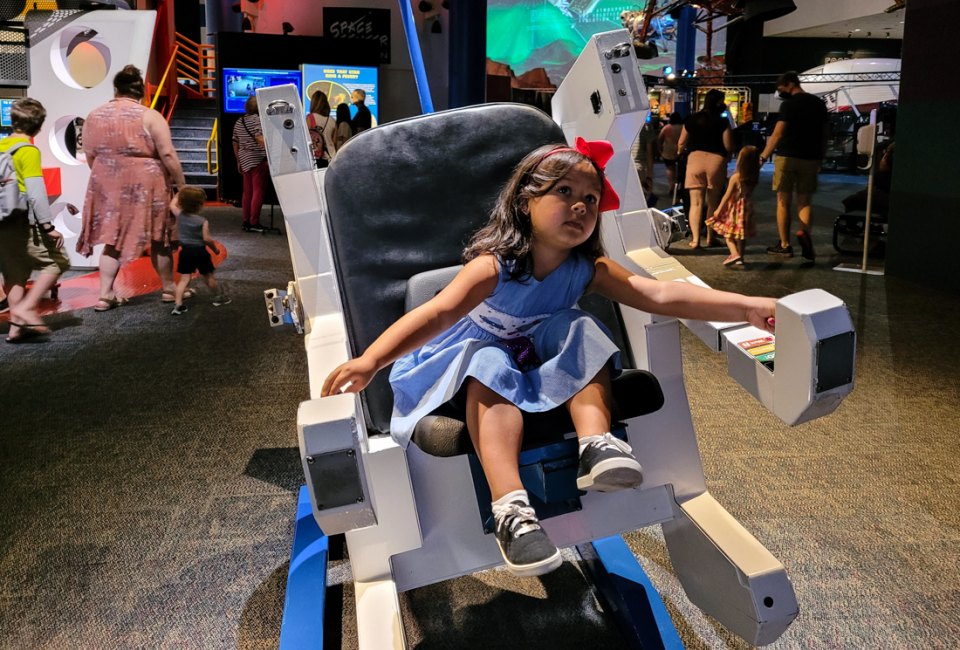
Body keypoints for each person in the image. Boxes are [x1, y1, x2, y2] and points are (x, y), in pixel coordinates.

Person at [320, 138, 777, 577]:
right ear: (524, 202)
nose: (581, 206)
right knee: (489, 361)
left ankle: (596, 446)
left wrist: (747, 306)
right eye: (565, 192)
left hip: (532, 364)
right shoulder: (493, 266)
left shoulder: (585, 270)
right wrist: (371, 361)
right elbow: (437, 313)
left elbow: (656, 293)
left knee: (577, 326)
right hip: (463, 365)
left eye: (591, 199)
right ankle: (511, 509)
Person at [77, 64, 187, 310]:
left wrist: (109, 176)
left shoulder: (94, 115)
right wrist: (181, 186)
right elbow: (167, 154)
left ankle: (105, 295)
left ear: (116, 89)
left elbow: (90, 155)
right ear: (141, 92)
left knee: (113, 241)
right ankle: (169, 289)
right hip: (148, 185)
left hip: (108, 183)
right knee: (160, 238)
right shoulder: (149, 116)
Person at [0, 98, 69, 342]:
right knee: (57, 261)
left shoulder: (2, 146)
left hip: (1, 222)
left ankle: (16, 328)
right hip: (20, 221)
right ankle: (25, 309)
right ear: (39, 127)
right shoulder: (27, 151)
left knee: (15, 274)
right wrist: (48, 226)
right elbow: (36, 192)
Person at [759, 71, 829, 262]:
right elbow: (824, 133)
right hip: (811, 158)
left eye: (781, 88)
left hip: (787, 157)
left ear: (790, 84)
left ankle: (784, 245)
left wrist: (763, 156)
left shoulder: (788, 105)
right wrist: (821, 158)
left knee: (783, 201)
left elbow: (778, 134)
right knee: (804, 201)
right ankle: (804, 232)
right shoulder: (818, 103)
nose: (780, 92)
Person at [678, 89, 732, 249]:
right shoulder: (722, 122)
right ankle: (710, 237)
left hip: (695, 160)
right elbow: (728, 145)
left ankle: (695, 240)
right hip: (716, 161)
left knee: (696, 203)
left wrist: (680, 153)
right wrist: (727, 158)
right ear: (718, 102)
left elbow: (681, 143)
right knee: (713, 203)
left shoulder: (692, 119)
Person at [168, 186, 229, 315]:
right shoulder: (202, 221)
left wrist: (179, 191)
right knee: (208, 277)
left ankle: (178, 304)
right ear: (200, 205)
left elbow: (172, 204)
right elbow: (207, 239)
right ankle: (219, 297)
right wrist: (215, 250)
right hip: (200, 252)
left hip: (185, 252)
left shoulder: (180, 215)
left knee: (184, 279)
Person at [706, 146, 761, 267]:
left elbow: (727, 195)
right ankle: (741, 257)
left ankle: (734, 253)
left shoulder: (736, 177)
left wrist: (718, 209)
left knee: (728, 235)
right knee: (741, 235)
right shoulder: (754, 177)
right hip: (747, 208)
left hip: (735, 209)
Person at [232, 96, 268, 233]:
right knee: (258, 191)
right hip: (257, 159)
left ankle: (246, 220)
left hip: (244, 158)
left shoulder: (239, 121)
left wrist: (238, 160)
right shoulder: (257, 120)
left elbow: (235, 142)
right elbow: (259, 137)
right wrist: (271, 145)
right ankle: (254, 221)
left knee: (247, 192)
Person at [306, 91, 337, 168]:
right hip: (331, 157)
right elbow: (334, 142)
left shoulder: (310, 118)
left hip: (316, 158)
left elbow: (306, 138)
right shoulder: (332, 120)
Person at [658, 112, 683, 197]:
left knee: (670, 169)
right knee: (680, 170)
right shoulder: (683, 127)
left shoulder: (666, 128)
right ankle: (678, 186)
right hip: (681, 151)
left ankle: (671, 187)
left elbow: (660, 139)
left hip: (668, 152)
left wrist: (660, 150)